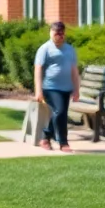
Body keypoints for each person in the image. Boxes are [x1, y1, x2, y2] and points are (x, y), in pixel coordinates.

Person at [34, 21, 81, 153]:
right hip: (51, 87)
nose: (59, 36)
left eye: (61, 33)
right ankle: (63, 142)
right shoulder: (45, 49)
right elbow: (38, 70)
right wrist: (38, 90)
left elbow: (74, 71)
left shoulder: (69, 49)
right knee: (60, 112)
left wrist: (76, 89)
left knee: (61, 114)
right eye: (56, 33)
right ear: (51, 33)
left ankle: (45, 138)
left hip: (66, 88)